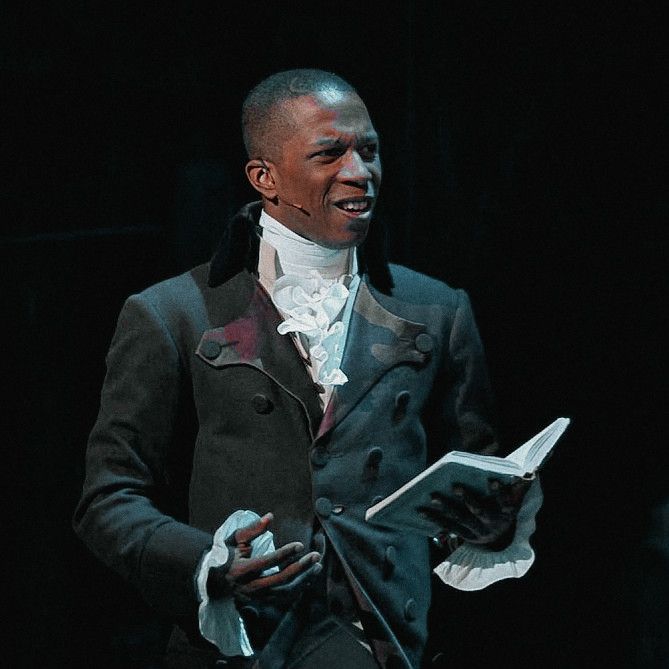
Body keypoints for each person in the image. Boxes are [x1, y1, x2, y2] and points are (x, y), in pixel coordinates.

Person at [74, 69, 542, 669]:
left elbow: (474, 474)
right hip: (245, 647)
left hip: (387, 644)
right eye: (330, 153)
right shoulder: (174, 314)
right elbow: (108, 497)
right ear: (264, 178)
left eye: (369, 151)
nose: (359, 172)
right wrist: (207, 565)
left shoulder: (438, 311)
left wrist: (489, 523)